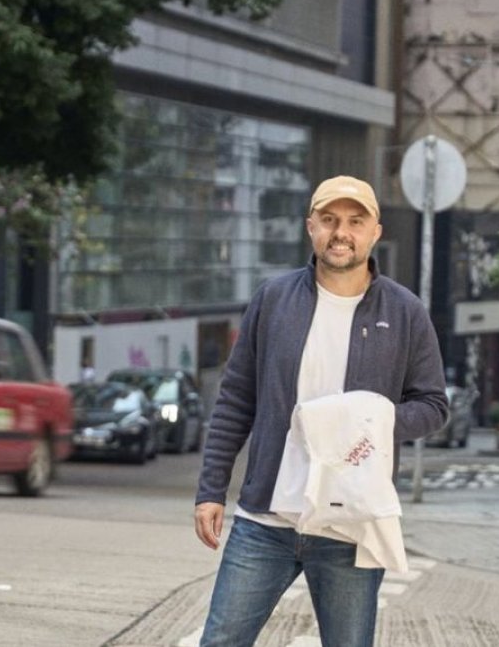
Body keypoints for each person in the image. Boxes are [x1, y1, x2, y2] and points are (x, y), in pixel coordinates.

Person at [193, 175, 449, 647]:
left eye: (356, 221)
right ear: (310, 227)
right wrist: (211, 489)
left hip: (350, 525)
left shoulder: (405, 312)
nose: (341, 232)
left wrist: (373, 419)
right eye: (329, 220)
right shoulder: (273, 300)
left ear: (376, 231)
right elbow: (235, 400)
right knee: (220, 641)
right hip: (265, 520)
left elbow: (434, 406)